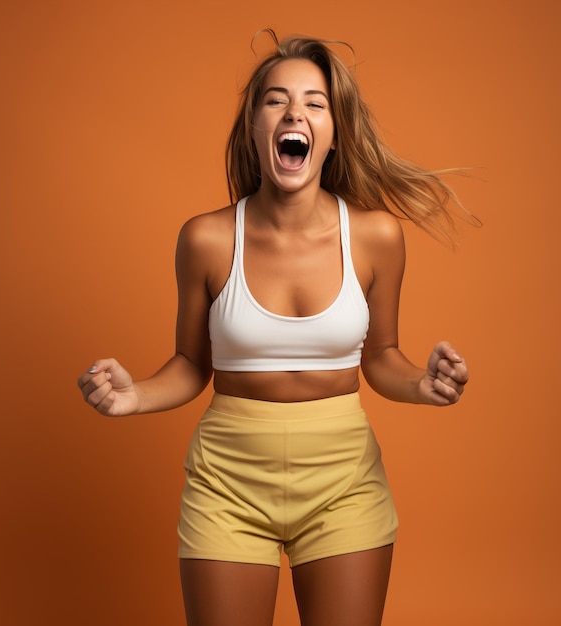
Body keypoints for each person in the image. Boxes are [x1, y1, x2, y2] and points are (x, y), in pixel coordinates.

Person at [78, 32, 470, 626]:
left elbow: (382, 355)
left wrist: (422, 385)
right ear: (255, 127)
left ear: (333, 133)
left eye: (315, 102)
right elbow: (190, 364)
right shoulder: (206, 238)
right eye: (276, 100)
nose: (295, 113)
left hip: (344, 482)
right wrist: (134, 398)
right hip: (227, 484)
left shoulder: (376, 237)